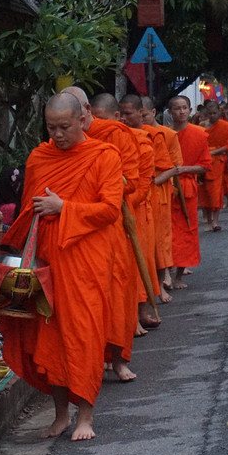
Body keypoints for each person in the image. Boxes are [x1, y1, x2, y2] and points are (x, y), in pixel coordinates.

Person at [0, 92, 124, 440]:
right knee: (48, 337)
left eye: (64, 127)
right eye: (51, 127)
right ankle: (60, 414)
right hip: (47, 262)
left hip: (85, 261)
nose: (58, 135)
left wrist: (64, 207)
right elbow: (27, 211)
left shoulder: (104, 156)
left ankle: (86, 417)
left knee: (83, 335)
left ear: (82, 120)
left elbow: (111, 209)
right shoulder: (40, 157)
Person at [84, 91, 142, 378]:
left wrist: (106, 178)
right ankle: (92, 362)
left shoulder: (115, 135)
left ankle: (118, 358)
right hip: (78, 229)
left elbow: (131, 180)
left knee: (117, 293)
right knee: (87, 300)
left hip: (111, 224)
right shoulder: (57, 146)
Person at [119, 94, 162, 333]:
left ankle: (142, 313)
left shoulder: (144, 140)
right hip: (115, 209)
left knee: (141, 261)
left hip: (137, 208)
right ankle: (129, 319)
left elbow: (144, 181)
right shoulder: (111, 139)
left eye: (130, 114)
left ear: (142, 113)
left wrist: (123, 204)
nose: (125, 119)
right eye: (121, 114)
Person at [165, 95, 210, 290]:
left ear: (190, 111)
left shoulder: (199, 134)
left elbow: (205, 166)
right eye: (177, 108)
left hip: (187, 189)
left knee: (186, 233)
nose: (181, 112)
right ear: (170, 112)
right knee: (166, 233)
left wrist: (184, 169)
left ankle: (178, 276)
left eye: (184, 108)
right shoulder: (164, 135)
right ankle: (165, 272)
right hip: (166, 189)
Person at [141, 96, 182, 303]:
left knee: (161, 239)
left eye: (143, 115)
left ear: (153, 112)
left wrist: (153, 181)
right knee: (147, 243)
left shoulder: (165, 135)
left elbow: (174, 167)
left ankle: (165, 275)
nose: (140, 120)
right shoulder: (130, 135)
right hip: (141, 194)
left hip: (159, 192)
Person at [200, 101, 228, 231]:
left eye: (215, 113)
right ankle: (208, 221)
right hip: (203, 162)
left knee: (217, 192)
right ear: (206, 113)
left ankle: (215, 221)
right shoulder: (201, 126)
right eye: (210, 113)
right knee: (205, 192)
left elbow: (227, 145)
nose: (212, 116)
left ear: (219, 113)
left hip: (218, 162)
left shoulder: (225, 126)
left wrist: (212, 152)